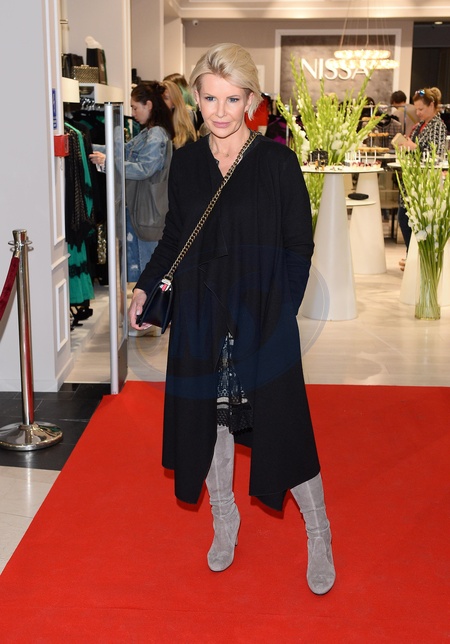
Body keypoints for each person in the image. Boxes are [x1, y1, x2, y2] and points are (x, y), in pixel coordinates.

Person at [128, 43, 336, 595]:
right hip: (201, 317)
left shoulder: (276, 163)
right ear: (195, 98)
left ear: (251, 100)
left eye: (233, 99)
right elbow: (175, 236)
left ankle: (319, 532)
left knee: (285, 428)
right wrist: (145, 287)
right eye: (210, 98)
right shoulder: (188, 163)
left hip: (263, 318)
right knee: (211, 424)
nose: (220, 111)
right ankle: (225, 522)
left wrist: (282, 311)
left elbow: (298, 246)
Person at [89, 81, 174, 285]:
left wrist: (108, 162)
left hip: (149, 212)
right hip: (143, 210)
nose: (133, 113)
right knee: (145, 269)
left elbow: (144, 169)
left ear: (149, 105)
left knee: (149, 271)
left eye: (135, 107)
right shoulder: (149, 133)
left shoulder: (156, 135)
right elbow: (124, 151)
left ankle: (150, 306)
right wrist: (88, 146)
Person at [394, 87, 447, 268]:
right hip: (412, 179)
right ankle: (411, 254)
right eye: (416, 109)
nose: (418, 113)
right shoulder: (418, 126)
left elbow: (436, 154)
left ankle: (416, 257)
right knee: (404, 217)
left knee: (416, 220)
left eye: (421, 109)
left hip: (425, 181)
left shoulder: (438, 126)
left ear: (432, 105)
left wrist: (413, 147)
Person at [162, 79, 198, 148]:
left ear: (174, 102)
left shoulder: (186, 133)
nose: (161, 101)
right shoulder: (151, 127)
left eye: (165, 98)